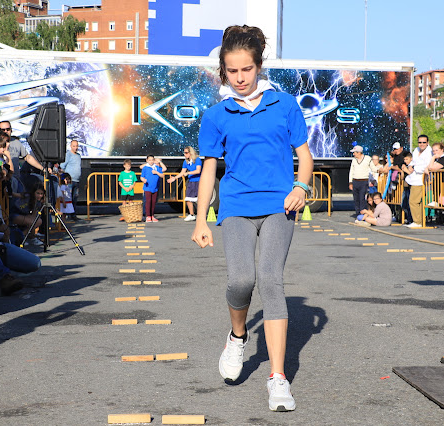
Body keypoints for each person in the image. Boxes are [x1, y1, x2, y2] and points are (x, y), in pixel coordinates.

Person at [192, 25, 313, 412]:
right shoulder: (216, 115)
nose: (241, 78)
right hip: (236, 207)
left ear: (259, 66)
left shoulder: (285, 105)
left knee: (272, 280)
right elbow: (209, 169)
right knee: (242, 280)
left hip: (280, 206)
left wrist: (302, 187)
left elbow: (305, 155)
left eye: (247, 69)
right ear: (223, 72)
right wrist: (200, 220)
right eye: (233, 71)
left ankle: (278, 378)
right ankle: (238, 336)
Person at [402, 135, 432, 228]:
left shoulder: (429, 152)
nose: (421, 144)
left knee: (413, 201)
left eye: (424, 142)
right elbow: (412, 162)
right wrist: (411, 166)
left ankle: (418, 221)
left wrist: (414, 167)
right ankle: (418, 220)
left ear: (427, 143)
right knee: (415, 201)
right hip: (413, 178)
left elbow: (426, 166)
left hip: (420, 180)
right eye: (420, 142)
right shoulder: (416, 150)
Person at [167, 146, 202, 221]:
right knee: (188, 198)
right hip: (191, 181)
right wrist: (174, 178)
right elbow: (182, 172)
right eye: (184, 153)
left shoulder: (197, 160)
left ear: (190, 153)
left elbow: (198, 171)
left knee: (199, 199)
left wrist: (188, 173)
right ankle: (191, 214)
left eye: (186, 153)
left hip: (198, 181)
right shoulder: (185, 162)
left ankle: (201, 215)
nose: (185, 154)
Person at [59, 139, 82, 219]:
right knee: (68, 197)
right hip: (69, 181)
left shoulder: (78, 155)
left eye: (77, 146)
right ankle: (67, 214)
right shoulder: (68, 155)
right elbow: (62, 166)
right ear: (71, 146)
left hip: (76, 180)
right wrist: (65, 177)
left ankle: (73, 214)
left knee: (75, 197)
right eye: (74, 146)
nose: (76, 148)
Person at [348, 145, 373, 217]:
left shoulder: (367, 159)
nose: (353, 154)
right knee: (356, 198)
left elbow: (372, 168)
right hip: (355, 181)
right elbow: (351, 171)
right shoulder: (354, 160)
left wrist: (379, 170)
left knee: (362, 198)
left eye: (354, 152)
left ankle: (362, 213)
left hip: (363, 181)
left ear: (359, 152)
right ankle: (357, 212)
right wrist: (350, 182)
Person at [140, 155, 163, 222]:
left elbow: (162, 175)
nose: (151, 161)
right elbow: (142, 176)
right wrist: (143, 180)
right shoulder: (145, 168)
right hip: (147, 187)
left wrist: (157, 172)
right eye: (149, 160)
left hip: (155, 187)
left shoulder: (157, 167)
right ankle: (148, 216)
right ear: (147, 160)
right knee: (148, 202)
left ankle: (152, 215)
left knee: (153, 202)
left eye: (152, 160)